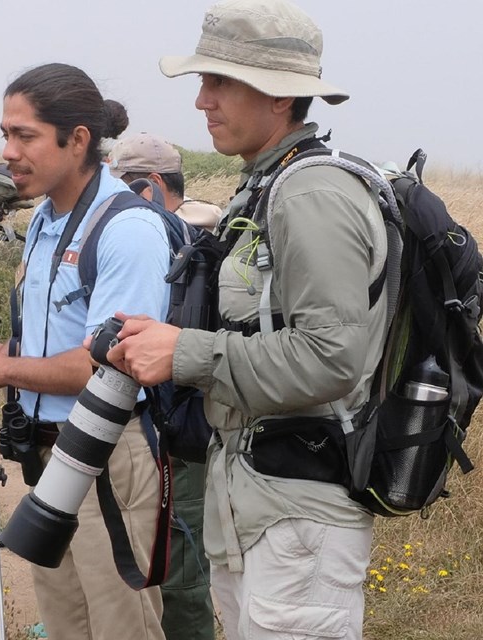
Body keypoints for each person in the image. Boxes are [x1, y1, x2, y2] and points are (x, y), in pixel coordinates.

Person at [99, 2, 389, 639]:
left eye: (219, 81)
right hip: (261, 510)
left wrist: (186, 353)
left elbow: (333, 356)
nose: (202, 100)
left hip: (300, 519)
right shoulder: (266, 187)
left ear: (280, 96)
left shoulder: (312, 194)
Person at [0, 63, 170, 640]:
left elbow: (104, 362)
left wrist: (2, 366)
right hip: (52, 461)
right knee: (65, 625)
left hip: (107, 457)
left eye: (25, 135)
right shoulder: (44, 220)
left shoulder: (127, 229)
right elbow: (47, 343)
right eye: (5, 133)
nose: (8, 152)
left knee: (121, 626)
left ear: (78, 138)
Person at [109, 132, 217, 640]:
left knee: (178, 566)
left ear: (150, 186)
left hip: (177, 434)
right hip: (164, 427)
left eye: (121, 192)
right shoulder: (191, 235)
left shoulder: (190, 238)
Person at [108, 132, 222, 233]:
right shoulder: (214, 226)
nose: (112, 196)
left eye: (121, 187)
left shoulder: (152, 234)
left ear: (153, 184)